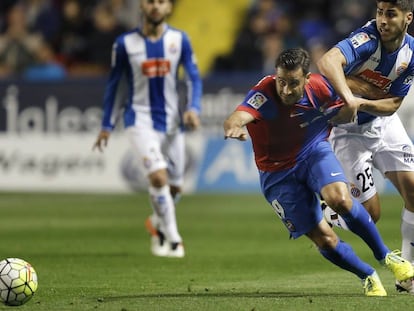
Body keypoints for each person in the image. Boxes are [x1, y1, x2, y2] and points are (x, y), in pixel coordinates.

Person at [223, 47, 413, 296]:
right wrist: (234, 128)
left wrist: (352, 108)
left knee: (340, 199)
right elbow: (237, 117)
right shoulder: (265, 93)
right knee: (324, 238)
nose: (286, 90)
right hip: (277, 175)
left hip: (313, 152)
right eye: (282, 82)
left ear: (307, 78)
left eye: (293, 83)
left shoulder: (322, 87)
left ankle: (387, 257)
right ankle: (366, 274)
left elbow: (348, 101)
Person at [317, 0, 414, 293]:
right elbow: (327, 62)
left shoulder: (410, 54)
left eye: (391, 14)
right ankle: (327, 209)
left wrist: (365, 100)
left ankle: (406, 274)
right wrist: (349, 95)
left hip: (384, 124)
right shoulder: (367, 39)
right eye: (380, 12)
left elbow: (393, 103)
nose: (382, 20)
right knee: (370, 214)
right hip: (347, 132)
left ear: (408, 17)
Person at [92, 0, 202, 258]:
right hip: (138, 120)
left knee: (174, 188)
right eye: (150, 1)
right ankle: (173, 240)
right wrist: (107, 124)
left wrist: (193, 108)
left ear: (168, 8)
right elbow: (114, 85)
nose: (155, 6)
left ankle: (157, 221)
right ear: (142, 6)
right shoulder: (124, 44)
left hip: (172, 122)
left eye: (161, 2)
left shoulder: (179, 39)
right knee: (158, 177)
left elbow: (194, 76)